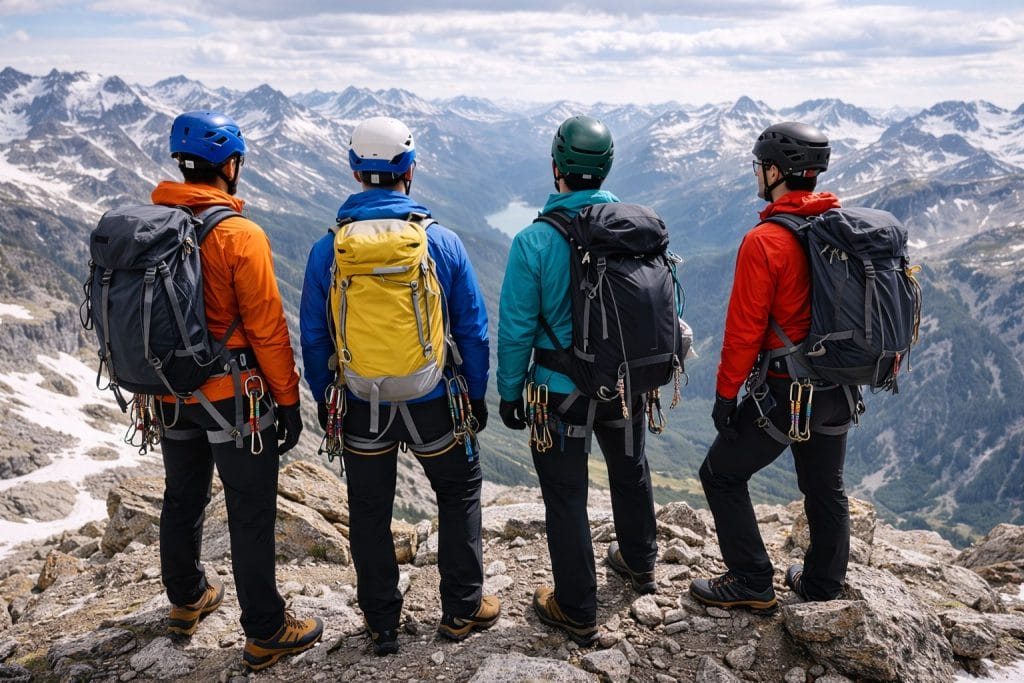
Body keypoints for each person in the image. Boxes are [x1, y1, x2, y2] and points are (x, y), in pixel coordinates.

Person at [299, 116, 496, 656]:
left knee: (369, 511)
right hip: (435, 398)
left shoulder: (328, 250)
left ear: (354, 171)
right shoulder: (441, 242)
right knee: (458, 492)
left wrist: (327, 397)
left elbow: (314, 337)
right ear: (410, 169)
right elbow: (474, 330)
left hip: (362, 403)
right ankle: (462, 609)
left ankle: (382, 623)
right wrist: (474, 394)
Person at [154, 111, 322, 671]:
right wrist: (289, 400)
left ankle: (186, 599)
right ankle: (266, 631)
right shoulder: (238, 234)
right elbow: (267, 329)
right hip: (233, 397)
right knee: (249, 510)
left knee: (183, 496)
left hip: (169, 391)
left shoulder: (156, 226)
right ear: (229, 165)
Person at [497, 115, 659, 647]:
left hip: (558, 394)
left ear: (556, 167)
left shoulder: (534, 241)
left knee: (566, 497)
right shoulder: (634, 232)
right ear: (607, 168)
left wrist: (509, 392)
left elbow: (517, 327)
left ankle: (577, 607)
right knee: (630, 469)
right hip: (625, 386)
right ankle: (640, 562)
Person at [689, 122, 855, 612]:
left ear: (777, 172)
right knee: (825, 487)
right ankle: (823, 586)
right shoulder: (838, 226)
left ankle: (751, 580)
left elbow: (745, 331)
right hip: (841, 387)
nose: (756, 174)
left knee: (719, 474)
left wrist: (726, 395)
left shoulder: (765, 240)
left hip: (787, 393)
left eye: (759, 166)